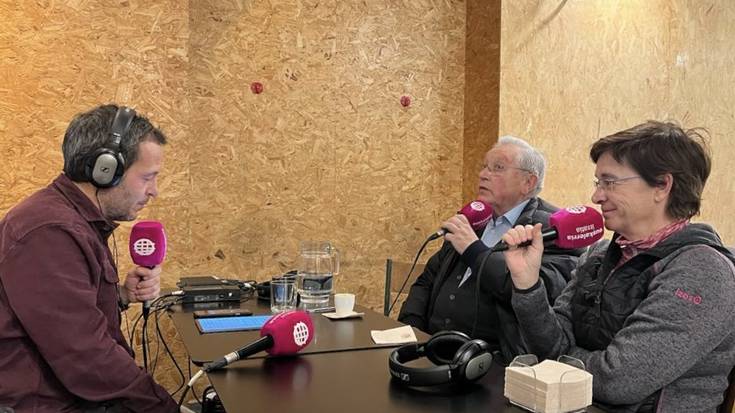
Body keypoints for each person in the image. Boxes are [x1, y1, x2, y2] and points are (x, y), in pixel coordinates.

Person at [503, 121, 735, 412]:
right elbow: (548, 348)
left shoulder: (702, 272)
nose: (597, 196)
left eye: (609, 182)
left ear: (662, 185)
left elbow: (617, 382)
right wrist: (528, 286)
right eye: (598, 183)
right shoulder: (600, 254)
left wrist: (564, 361)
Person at [0, 104, 178, 412]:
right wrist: (163, 407)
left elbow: (63, 314)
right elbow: (87, 357)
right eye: (147, 177)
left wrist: (120, 296)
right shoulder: (51, 232)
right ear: (105, 170)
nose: (154, 191)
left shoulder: (73, 221)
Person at [398, 136, 583, 362]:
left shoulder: (552, 229)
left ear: (528, 182)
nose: (483, 174)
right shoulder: (476, 217)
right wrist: (410, 331)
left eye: (498, 167)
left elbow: (535, 294)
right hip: (432, 349)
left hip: (493, 362)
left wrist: (473, 250)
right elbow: (428, 279)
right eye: (484, 166)